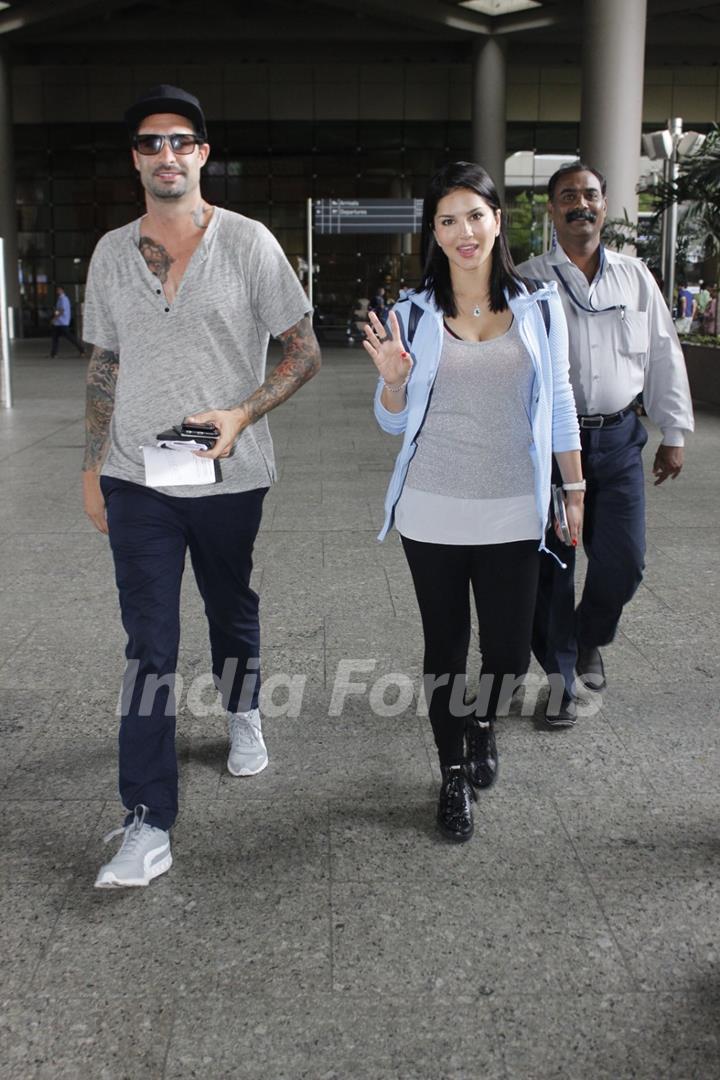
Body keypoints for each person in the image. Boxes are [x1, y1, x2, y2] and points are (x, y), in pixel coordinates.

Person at [81, 85, 320, 888]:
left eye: (182, 141)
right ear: (137, 159)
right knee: (149, 642)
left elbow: (303, 351)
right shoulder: (113, 254)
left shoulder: (250, 244)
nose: (167, 154)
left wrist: (242, 412)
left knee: (230, 608)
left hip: (228, 477)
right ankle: (148, 820)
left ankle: (243, 708)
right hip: (136, 479)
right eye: (151, 143)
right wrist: (91, 467)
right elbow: (104, 363)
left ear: (204, 154)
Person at [366, 161, 583, 842]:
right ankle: (452, 773)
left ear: (498, 221)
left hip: (514, 507)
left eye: (475, 216)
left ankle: (483, 722)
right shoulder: (412, 313)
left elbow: (560, 405)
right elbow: (392, 422)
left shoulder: (540, 307)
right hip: (432, 506)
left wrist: (572, 489)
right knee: (445, 647)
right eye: (448, 219)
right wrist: (394, 384)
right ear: (434, 231)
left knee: (512, 652)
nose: (464, 231)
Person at [518, 161, 694, 723]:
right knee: (554, 567)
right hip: (550, 447)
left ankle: (588, 636)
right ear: (552, 209)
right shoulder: (525, 280)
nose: (581, 204)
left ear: (603, 203)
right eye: (567, 195)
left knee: (625, 563)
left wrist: (675, 431)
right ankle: (561, 680)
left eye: (590, 195)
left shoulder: (634, 276)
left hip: (619, 440)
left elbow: (664, 351)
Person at [50, 286, 85, 358]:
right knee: (55, 338)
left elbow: (61, 310)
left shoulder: (63, 299)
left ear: (62, 290)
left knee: (70, 337)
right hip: (58, 323)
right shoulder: (60, 299)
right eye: (57, 290)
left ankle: (82, 349)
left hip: (62, 322)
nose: (57, 291)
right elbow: (58, 310)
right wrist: (55, 316)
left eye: (59, 290)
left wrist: (54, 318)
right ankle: (53, 354)